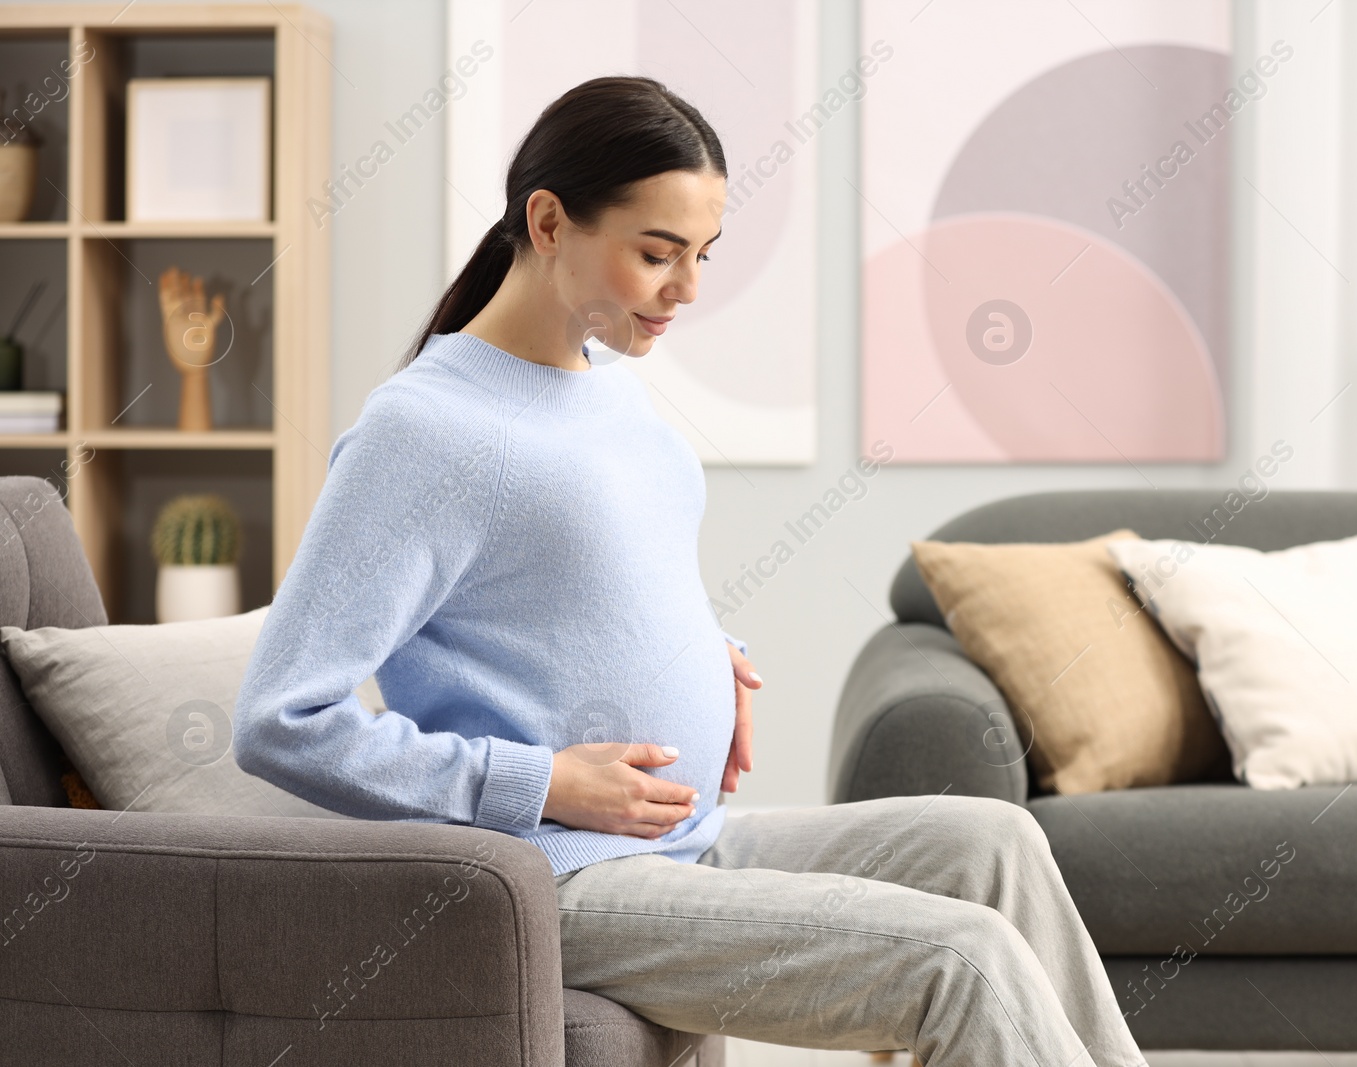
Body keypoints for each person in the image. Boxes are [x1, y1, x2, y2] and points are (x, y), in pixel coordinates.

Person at [233, 74, 1148, 1067]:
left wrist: (713, 657)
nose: (689, 289)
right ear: (548, 221)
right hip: (565, 876)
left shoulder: (610, 391)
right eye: (656, 253)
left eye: (702, 255)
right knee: (960, 956)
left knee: (995, 841)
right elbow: (282, 716)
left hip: (686, 832)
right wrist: (537, 779)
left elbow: (581, 586)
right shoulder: (423, 433)